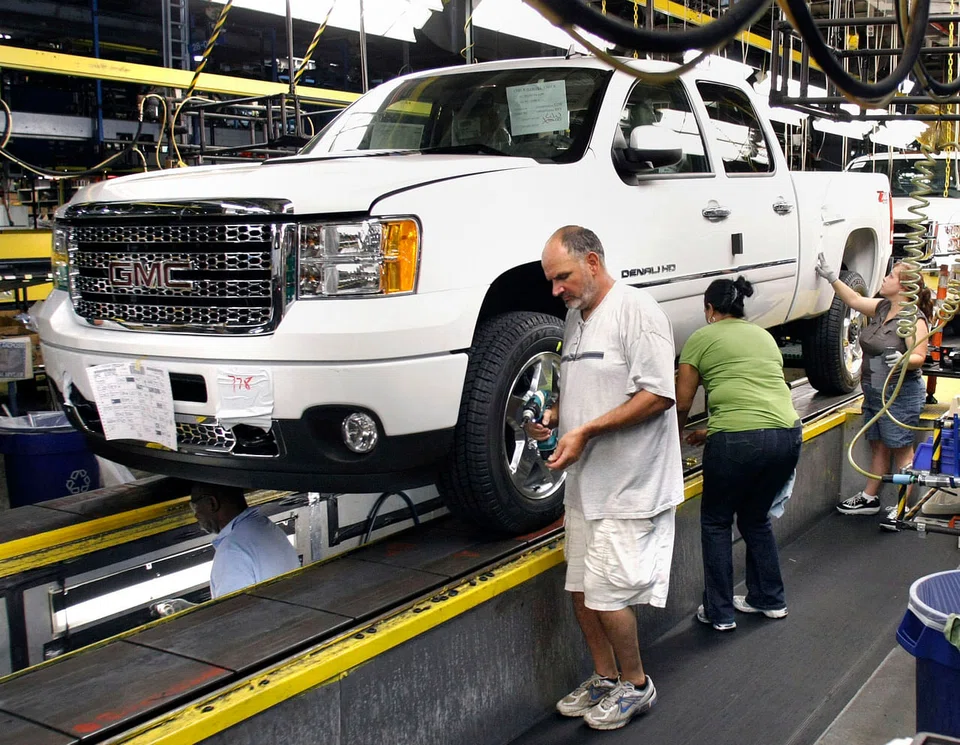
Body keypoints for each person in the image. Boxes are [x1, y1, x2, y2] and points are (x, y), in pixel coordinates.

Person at [526, 225, 684, 731]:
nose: (557, 289)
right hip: (586, 486)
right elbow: (582, 390)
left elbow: (658, 395)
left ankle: (636, 685)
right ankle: (604, 676)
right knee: (581, 589)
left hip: (631, 485)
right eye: (552, 281)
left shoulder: (638, 312)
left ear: (592, 262)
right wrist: (554, 417)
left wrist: (587, 431)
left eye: (563, 277)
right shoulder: (575, 319)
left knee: (608, 594)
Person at [676, 276, 802, 631]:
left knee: (717, 522)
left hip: (736, 441)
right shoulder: (764, 336)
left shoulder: (701, 338)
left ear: (710, 309)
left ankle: (719, 612)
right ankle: (770, 599)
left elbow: (682, 402)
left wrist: (673, 442)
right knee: (755, 517)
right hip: (787, 435)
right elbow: (758, 396)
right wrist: (711, 432)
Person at [815, 255, 931, 515]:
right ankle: (870, 498)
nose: (885, 278)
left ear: (903, 286)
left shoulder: (914, 319)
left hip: (898, 395)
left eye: (891, 276)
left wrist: (903, 360)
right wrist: (832, 277)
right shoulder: (882, 307)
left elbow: (919, 356)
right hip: (874, 392)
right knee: (878, 444)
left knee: (902, 450)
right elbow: (854, 300)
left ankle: (902, 508)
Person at [190, 483, 301, 598]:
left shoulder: (231, 551)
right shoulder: (266, 527)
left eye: (195, 507)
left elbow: (234, 608)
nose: (196, 515)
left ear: (212, 503)